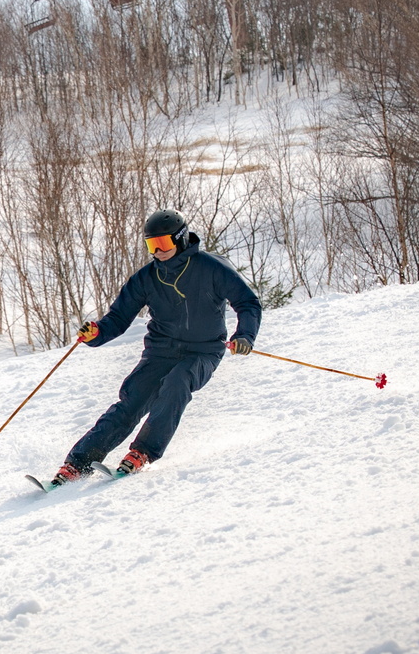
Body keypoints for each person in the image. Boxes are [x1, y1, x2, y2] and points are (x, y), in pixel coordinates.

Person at [49, 208, 262, 485]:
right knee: (132, 401)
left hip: (203, 351)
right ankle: (78, 463)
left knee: (177, 383)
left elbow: (248, 303)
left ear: (181, 239)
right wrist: (97, 334)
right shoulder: (147, 278)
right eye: (152, 245)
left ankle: (143, 452)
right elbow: (118, 318)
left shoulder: (211, 268)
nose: (158, 251)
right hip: (160, 351)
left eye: (163, 243)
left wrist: (245, 335)